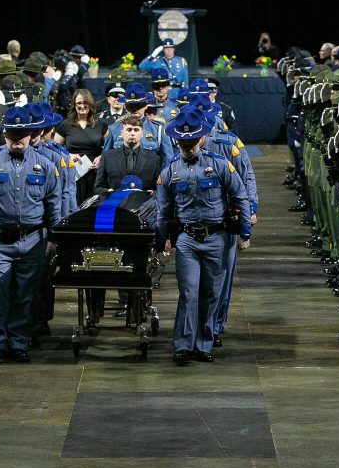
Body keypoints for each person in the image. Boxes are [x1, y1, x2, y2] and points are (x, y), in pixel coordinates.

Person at [0, 104, 62, 365]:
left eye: (22, 133)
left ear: (31, 134)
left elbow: (53, 203)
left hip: (32, 238)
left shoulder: (46, 164)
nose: (17, 138)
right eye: (12, 134)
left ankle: (18, 342)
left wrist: (53, 237)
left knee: (25, 293)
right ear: (5, 134)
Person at [156, 105, 250, 364]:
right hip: (187, 240)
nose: (188, 145)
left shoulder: (220, 165)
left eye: (192, 140)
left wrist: (244, 232)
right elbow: (163, 212)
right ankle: (183, 345)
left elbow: (240, 195)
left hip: (217, 238)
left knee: (211, 295)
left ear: (203, 137)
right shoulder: (170, 172)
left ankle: (203, 344)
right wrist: (161, 242)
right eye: (183, 141)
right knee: (188, 293)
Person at [56, 89, 107, 203]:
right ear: (74, 105)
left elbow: (109, 148)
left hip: (96, 173)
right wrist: (68, 155)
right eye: (79, 103)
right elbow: (54, 149)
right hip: (74, 173)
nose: (82, 106)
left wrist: (101, 157)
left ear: (90, 104)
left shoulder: (101, 123)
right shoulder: (65, 125)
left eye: (85, 102)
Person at [94, 115, 161, 193]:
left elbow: (159, 188)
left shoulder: (154, 158)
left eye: (136, 130)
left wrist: (153, 193)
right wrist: (108, 192)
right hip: (114, 203)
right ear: (122, 133)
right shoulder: (107, 157)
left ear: (142, 134)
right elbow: (98, 187)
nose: (132, 133)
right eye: (129, 130)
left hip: (143, 203)